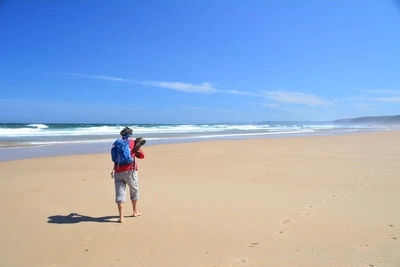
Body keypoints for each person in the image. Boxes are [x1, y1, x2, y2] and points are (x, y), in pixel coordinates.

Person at [112, 127, 146, 223]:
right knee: (134, 190)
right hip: (130, 171)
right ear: (130, 134)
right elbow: (142, 156)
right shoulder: (133, 143)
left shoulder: (117, 143)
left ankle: (121, 217)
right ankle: (135, 212)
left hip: (117, 171)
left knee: (120, 194)